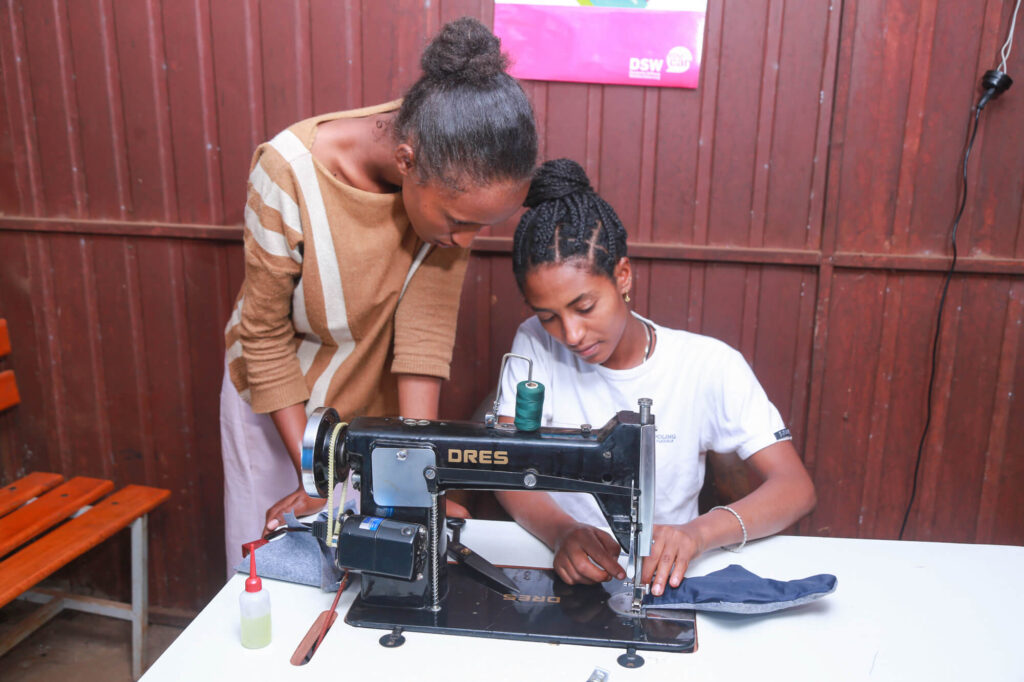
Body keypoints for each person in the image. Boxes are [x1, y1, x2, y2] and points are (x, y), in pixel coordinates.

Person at [220, 17, 537, 571]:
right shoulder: (289, 172)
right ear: (407, 161)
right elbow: (264, 339)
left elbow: (422, 340)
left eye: (480, 229)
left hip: (370, 406)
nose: (464, 242)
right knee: (279, 570)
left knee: (378, 566)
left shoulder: (456, 162)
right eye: (460, 223)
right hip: (282, 404)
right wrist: (318, 475)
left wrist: (417, 480)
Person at [495, 159, 815, 597]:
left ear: (623, 276)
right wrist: (561, 531)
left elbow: (794, 488)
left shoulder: (706, 365)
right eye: (548, 316)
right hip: (571, 574)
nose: (570, 334)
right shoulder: (535, 345)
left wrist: (698, 534)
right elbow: (505, 466)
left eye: (585, 307)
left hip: (667, 576)